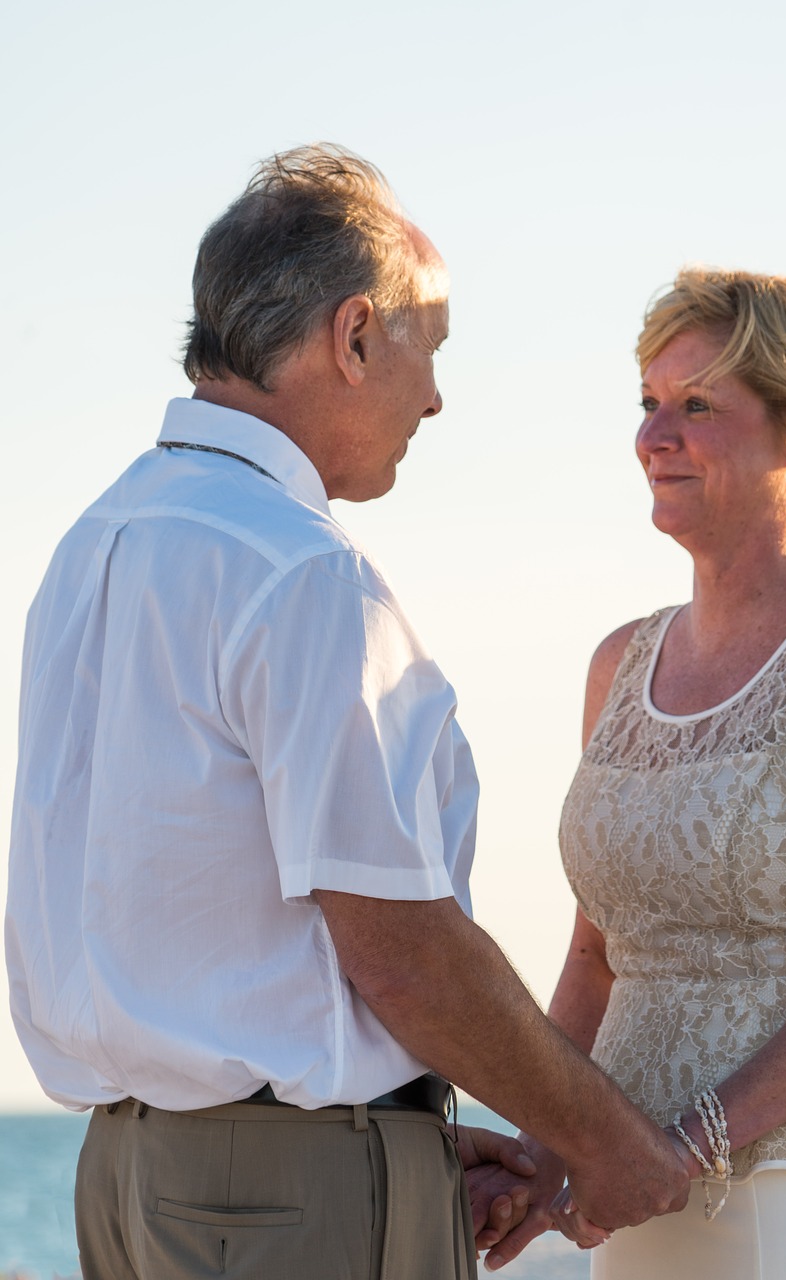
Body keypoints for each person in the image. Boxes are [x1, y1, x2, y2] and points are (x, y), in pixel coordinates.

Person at [4, 144, 692, 1280]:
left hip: (128, 1185)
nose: (433, 392)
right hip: (287, 1201)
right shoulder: (299, 573)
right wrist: (603, 1137)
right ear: (355, 333)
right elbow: (402, 948)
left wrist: (402, 1140)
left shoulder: (93, 546)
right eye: (431, 343)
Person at [487, 269, 786, 1278]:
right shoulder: (617, 663)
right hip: (635, 1204)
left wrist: (684, 1145)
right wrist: (536, 1152)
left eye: (696, 405)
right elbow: (594, 956)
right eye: (647, 404)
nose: (651, 437)